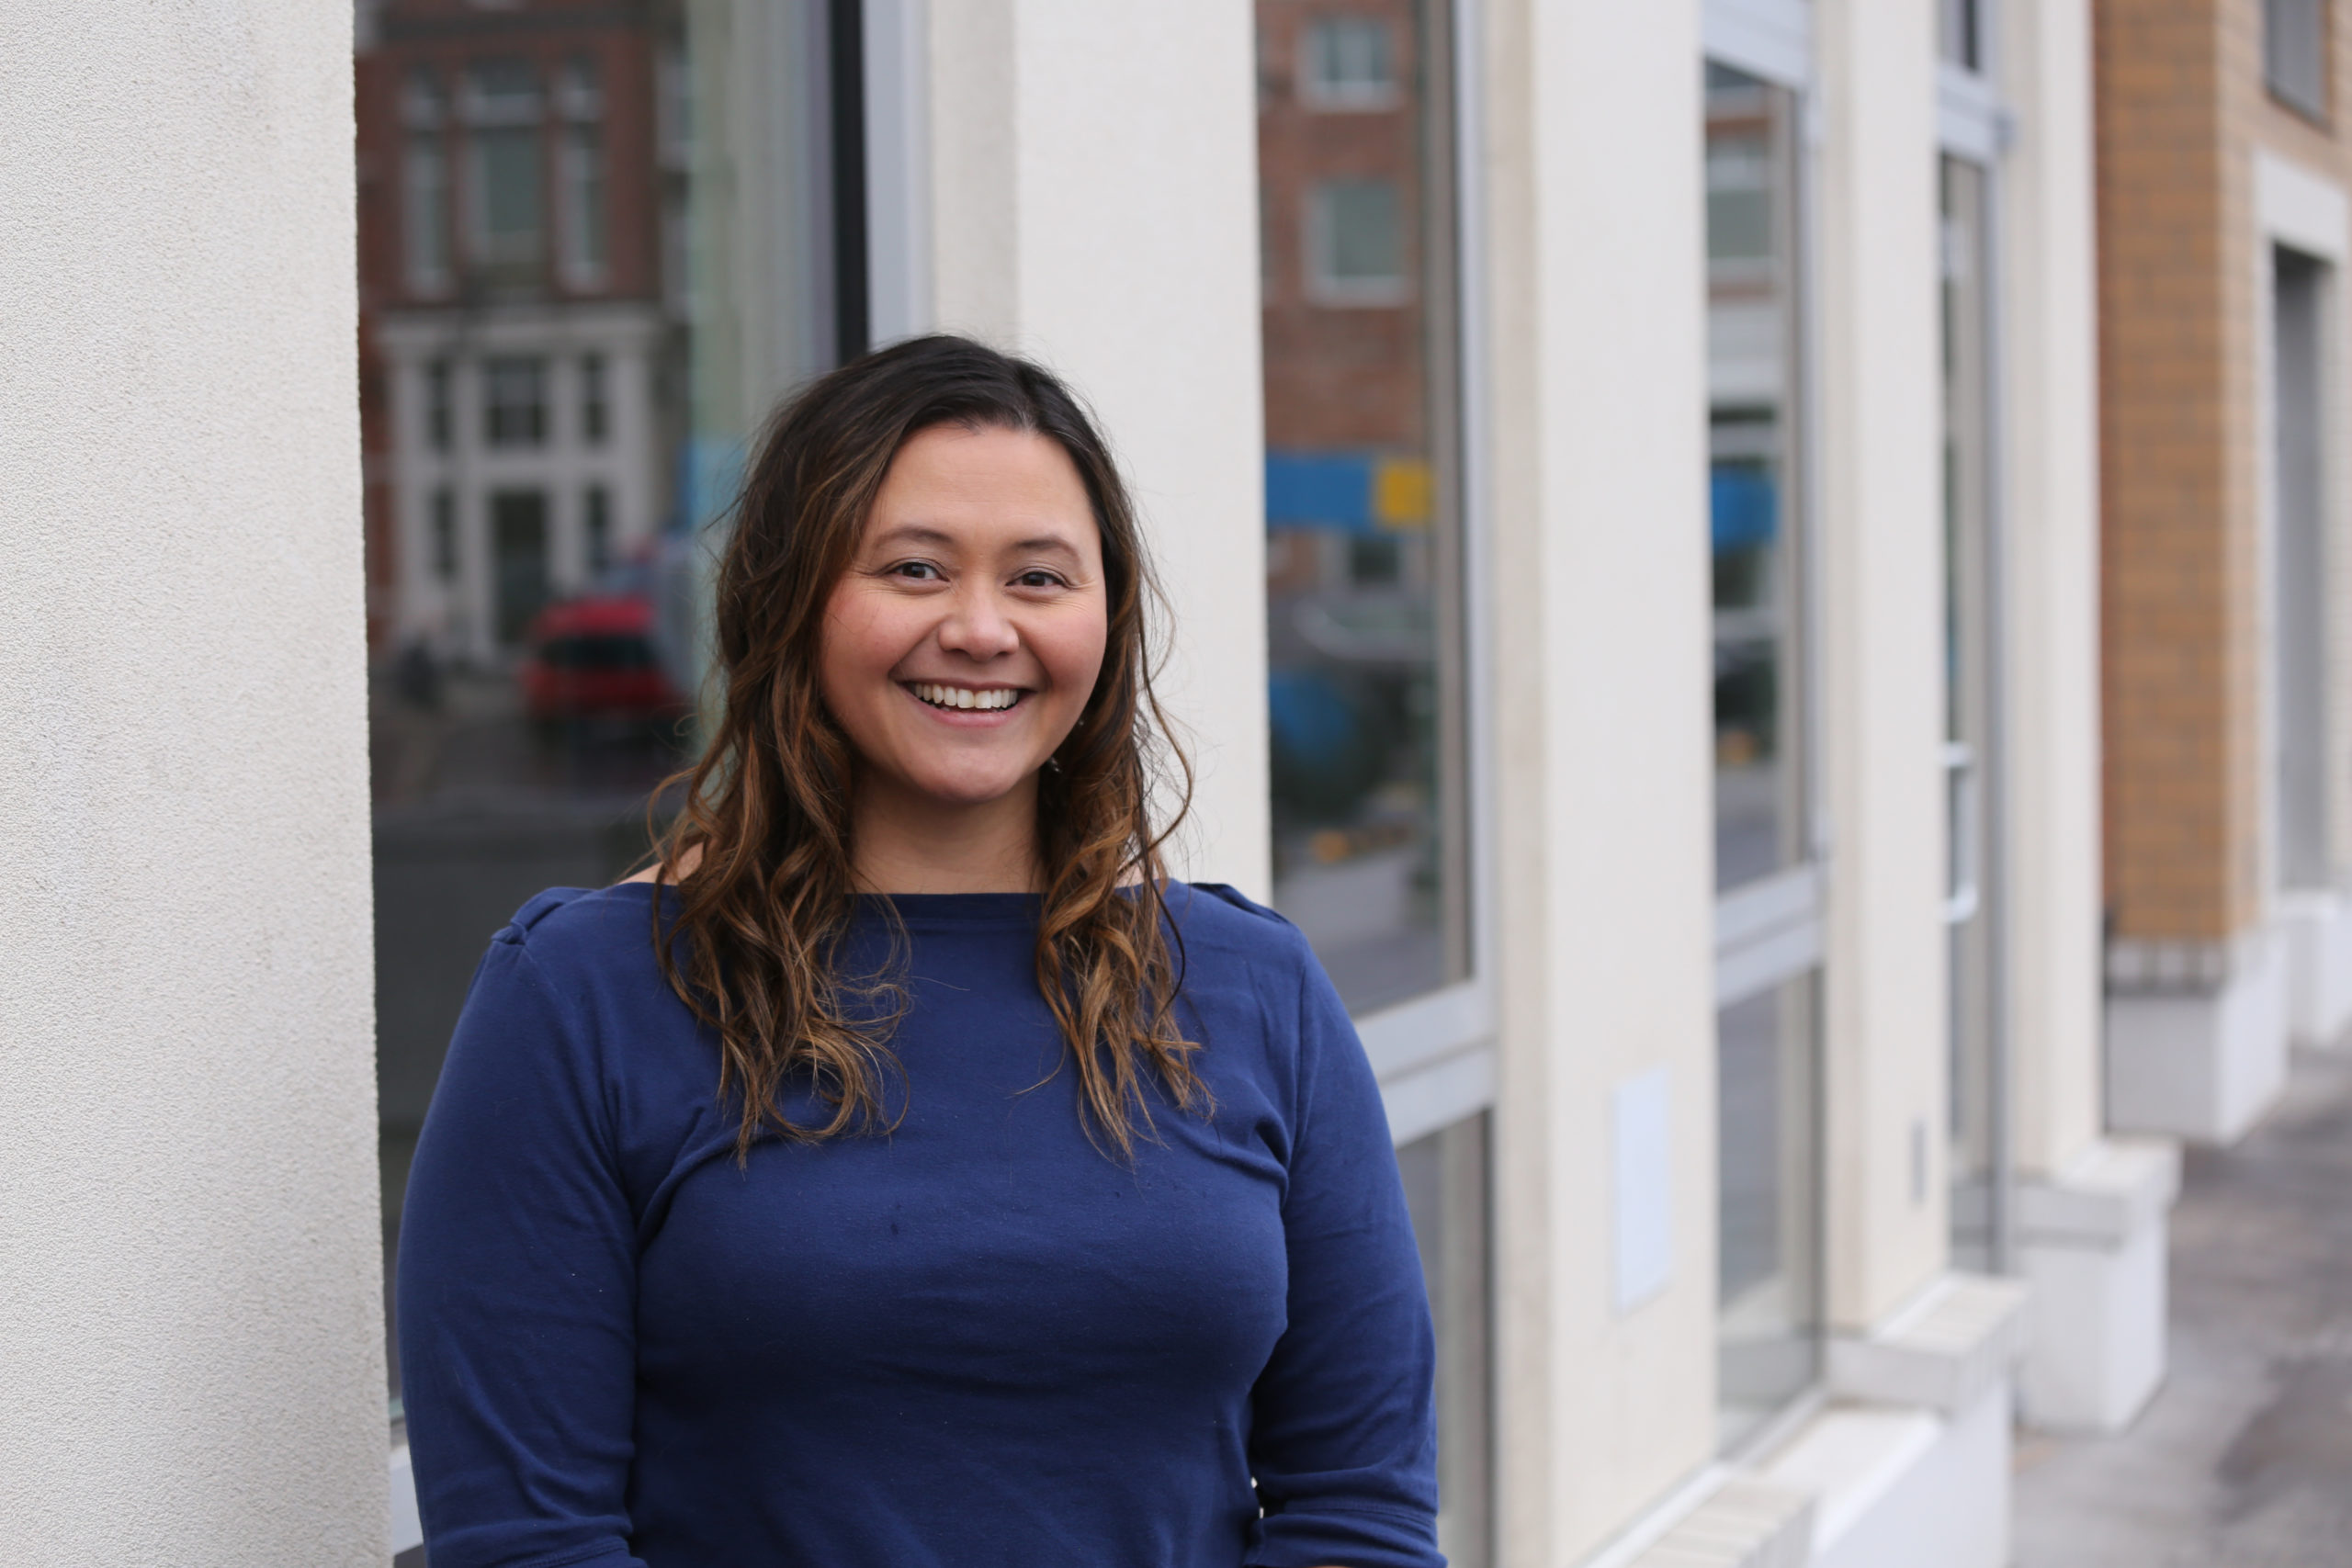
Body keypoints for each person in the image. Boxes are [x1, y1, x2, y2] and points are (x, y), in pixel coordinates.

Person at [397, 334, 1444, 1568]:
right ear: (790, 601)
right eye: (913, 567)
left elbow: (1359, 1508)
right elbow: (529, 1542)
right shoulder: (588, 997)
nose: (981, 628)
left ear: (1105, 619)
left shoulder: (1253, 989)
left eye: (1042, 579)